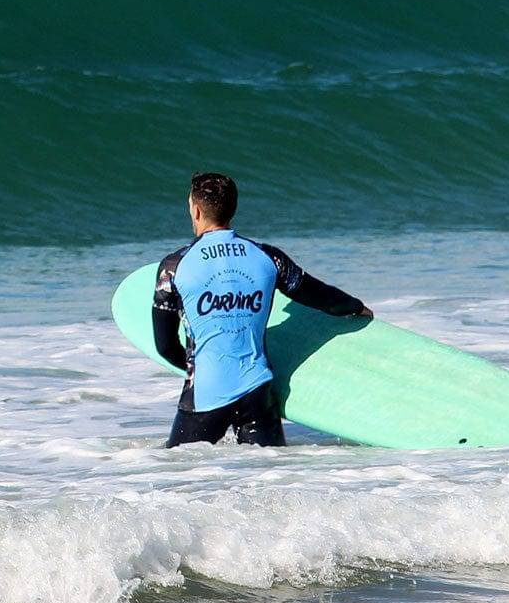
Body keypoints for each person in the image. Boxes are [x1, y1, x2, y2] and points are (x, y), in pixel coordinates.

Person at [153, 171, 372, 449]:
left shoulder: (174, 266)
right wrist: (355, 308)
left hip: (206, 394)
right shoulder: (268, 257)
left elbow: (165, 345)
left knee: (181, 478)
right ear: (232, 209)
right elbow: (319, 294)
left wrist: (197, 369)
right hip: (258, 393)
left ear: (196, 210)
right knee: (269, 475)